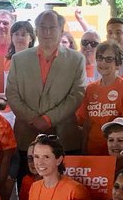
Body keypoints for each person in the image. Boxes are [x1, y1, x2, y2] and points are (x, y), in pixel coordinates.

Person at [6, 10, 86, 155]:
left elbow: (77, 95)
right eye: (43, 27)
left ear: (61, 30)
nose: (47, 32)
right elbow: (12, 94)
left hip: (64, 138)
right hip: (27, 137)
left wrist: (48, 119)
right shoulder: (19, 60)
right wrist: (33, 119)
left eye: (52, 27)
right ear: (36, 31)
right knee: (27, 178)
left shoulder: (76, 60)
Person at [76, 41, 123, 155]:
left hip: (117, 154)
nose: (103, 62)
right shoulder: (90, 89)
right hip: (92, 152)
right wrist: (83, 150)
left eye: (109, 59)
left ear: (117, 63)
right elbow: (86, 124)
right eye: (100, 58)